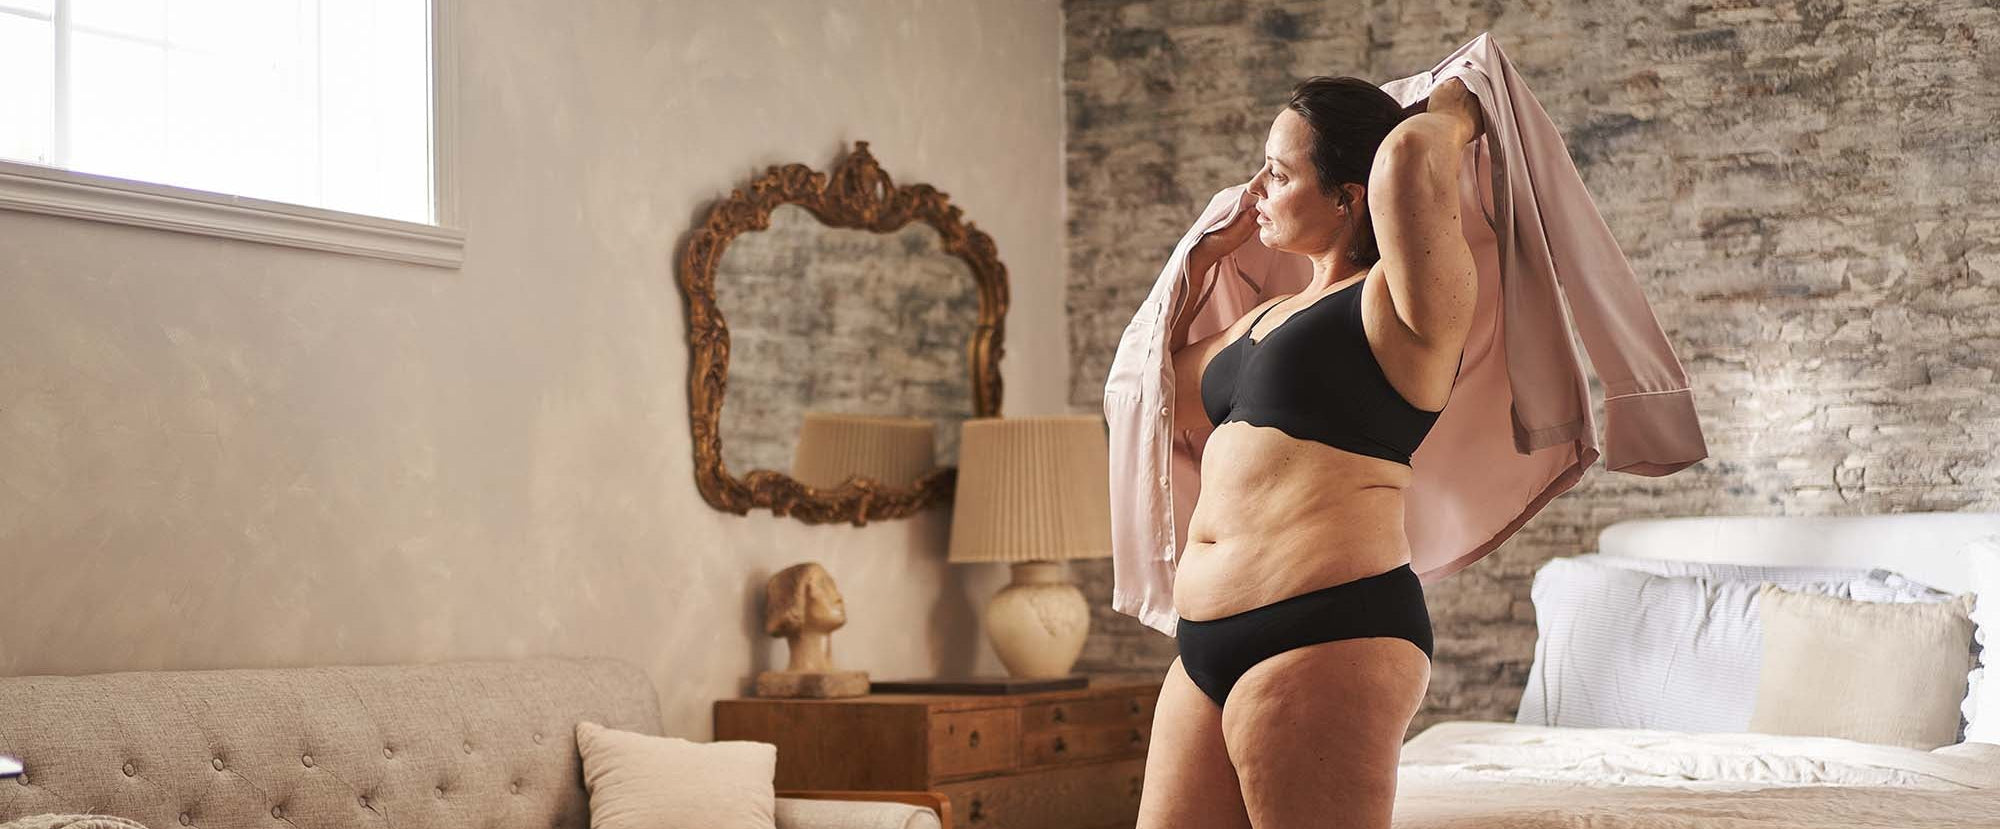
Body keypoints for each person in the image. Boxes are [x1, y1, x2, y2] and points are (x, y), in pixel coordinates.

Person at [1135, 74, 1485, 829]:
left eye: (1281, 172)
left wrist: (1456, 111)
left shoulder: (1400, 303)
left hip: (1328, 632)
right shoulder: (1265, 316)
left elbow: (1406, 164)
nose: (1256, 189)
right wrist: (1202, 258)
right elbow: (1145, 393)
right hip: (1203, 652)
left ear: (1347, 197)